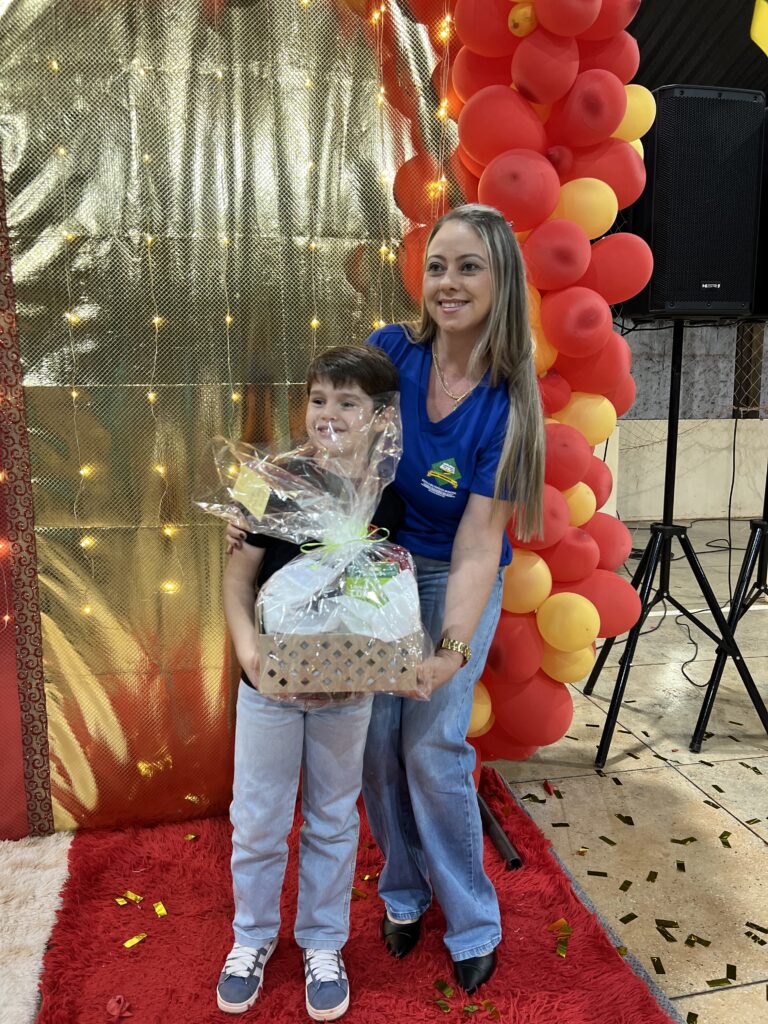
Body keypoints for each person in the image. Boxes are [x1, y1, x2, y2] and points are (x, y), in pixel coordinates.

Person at [361, 203, 545, 993]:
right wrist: (271, 520)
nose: (448, 282)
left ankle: (472, 920)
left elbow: (476, 546)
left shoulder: (508, 403)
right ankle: (404, 891)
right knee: (374, 743)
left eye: (469, 266)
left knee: (430, 748)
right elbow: (336, 454)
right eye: (437, 265)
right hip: (380, 569)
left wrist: (450, 653)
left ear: (502, 281)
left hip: (453, 574)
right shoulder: (389, 352)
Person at [217, 345, 403, 1020]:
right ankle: (252, 936)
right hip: (269, 684)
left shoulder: (388, 494)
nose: (329, 414)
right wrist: (250, 658)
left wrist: (386, 661)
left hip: (346, 691)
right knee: (258, 819)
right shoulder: (267, 482)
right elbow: (237, 583)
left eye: (348, 403)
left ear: (381, 416)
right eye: (319, 399)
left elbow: (390, 594)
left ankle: (324, 942)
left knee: (333, 818)